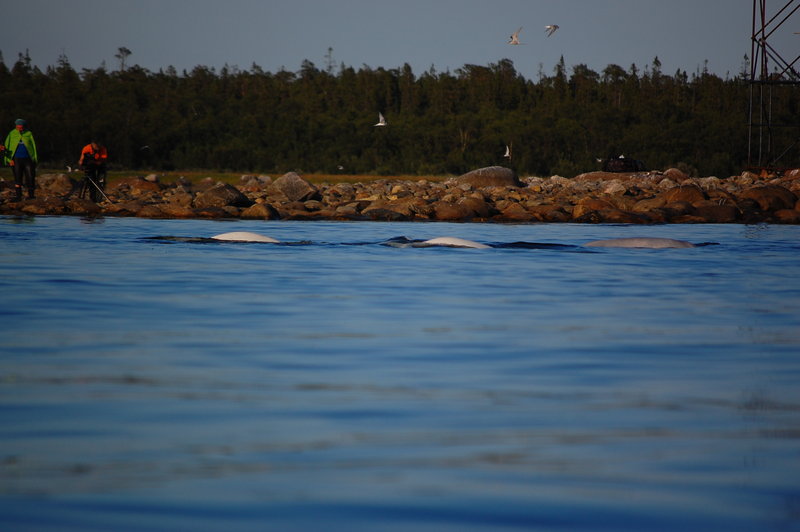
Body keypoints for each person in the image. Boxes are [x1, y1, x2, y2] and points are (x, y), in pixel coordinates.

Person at [3, 119, 38, 201]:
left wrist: (34, 159)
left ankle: (31, 196)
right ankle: (19, 196)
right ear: (16, 126)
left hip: (28, 159)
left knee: (30, 177)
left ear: (24, 127)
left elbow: (33, 147)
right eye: (18, 127)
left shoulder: (29, 134)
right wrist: (9, 159)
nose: (19, 129)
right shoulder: (12, 134)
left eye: (21, 127)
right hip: (16, 159)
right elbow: (6, 147)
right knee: (18, 178)